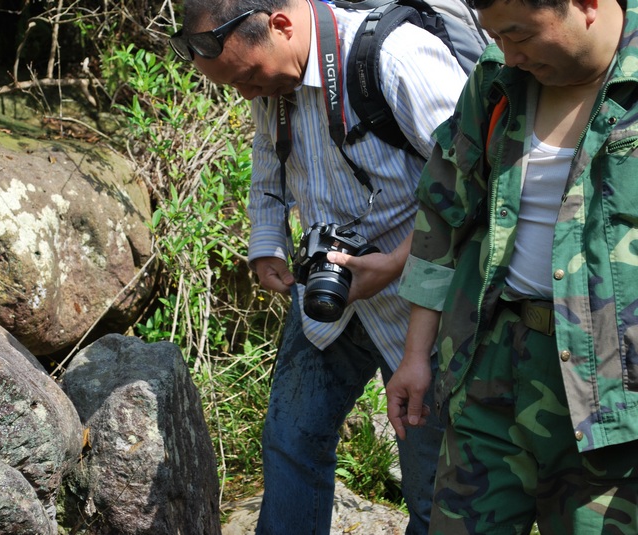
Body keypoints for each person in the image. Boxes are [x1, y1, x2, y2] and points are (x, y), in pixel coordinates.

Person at [169, 0, 471, 533]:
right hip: (328, 299)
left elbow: (475, 181)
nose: (247, 95)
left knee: (431, 485)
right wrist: (267, 241)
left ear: (281, 25)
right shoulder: (272, 80)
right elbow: (268, 155)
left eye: (248, 79)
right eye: (234, 87)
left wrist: (396, 262)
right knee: (291, 442)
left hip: (422, 309)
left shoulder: (395, 59)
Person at [386, 0, 638, 532]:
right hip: (492, 360)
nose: (509, 53)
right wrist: (415, 355)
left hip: (616, 389)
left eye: (519, 35)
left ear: (586, 5)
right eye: (495, 35)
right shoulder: (497, 78)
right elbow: (445, 210)